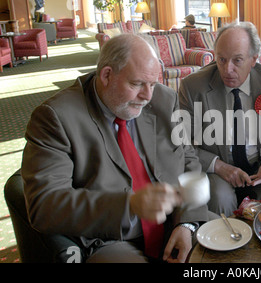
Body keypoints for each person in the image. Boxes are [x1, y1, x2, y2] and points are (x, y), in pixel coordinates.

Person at [21, 33, 210, 263]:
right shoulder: (55, 118)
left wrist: (186, 223)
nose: (147, 96)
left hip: (174, 222)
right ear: (107, 75)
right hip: (110, 240)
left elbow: (188, 159)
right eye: (137, 84)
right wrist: (129, 205)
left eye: (152, 83)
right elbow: (44, 205)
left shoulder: (164, 100)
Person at [179, 21, 261, 216]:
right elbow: (181, 143)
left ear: (254, 59)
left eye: (237, 60)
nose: (227, 69)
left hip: (259, 165)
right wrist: (219, 166)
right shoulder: (193, 87)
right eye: (221, 59)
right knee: (220, 197)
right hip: (218, 168)